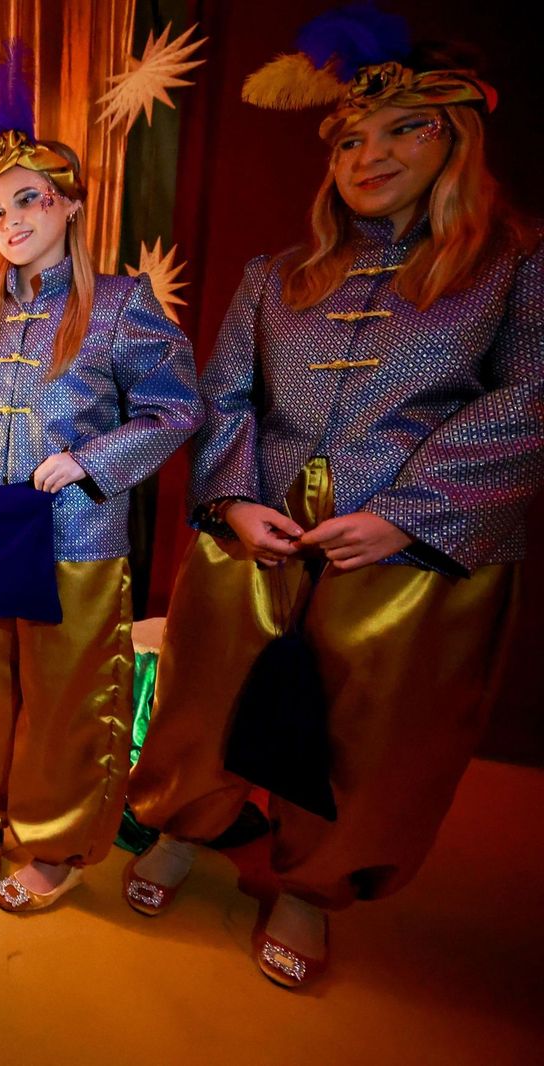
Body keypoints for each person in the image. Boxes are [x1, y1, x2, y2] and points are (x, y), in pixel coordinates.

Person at [125, 6, 543, 989]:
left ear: (456, 138)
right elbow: (224, 393)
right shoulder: (278, 276)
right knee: (201, 692)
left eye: (403, 129)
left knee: (371, 730)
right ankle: (186, 825)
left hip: (407, 552)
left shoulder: (510, 266)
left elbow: (530, 396)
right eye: (351, 137)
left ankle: (312, 887)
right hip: (256, 533)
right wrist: (230, 502)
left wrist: (405, 512)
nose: (370, 153)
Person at [0, 43, 202, 912]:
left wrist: (89, 462)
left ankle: (51, 843)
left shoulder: (120, 306)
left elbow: (177, 409)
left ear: (70, 203)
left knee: (62, 695)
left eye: (27, 200)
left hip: (74, 534)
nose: (8, 219)